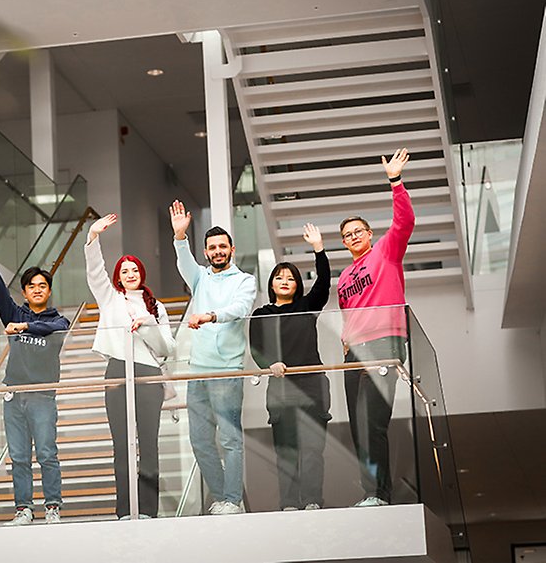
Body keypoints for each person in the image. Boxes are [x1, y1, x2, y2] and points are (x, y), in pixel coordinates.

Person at [0, 224, 70, 526]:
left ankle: (52, 508)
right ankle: (23, 509)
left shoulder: (57, 319)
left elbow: (56, 329)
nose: (37, 289)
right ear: (24, 292)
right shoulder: (14, 312)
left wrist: (23, 328)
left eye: (42, 285)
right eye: (32, 285)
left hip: (43, 396)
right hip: (13, 396)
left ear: (48, 291)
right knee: (19, 456)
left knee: (47, 453)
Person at [84, 213, 176, 519]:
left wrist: (148, 324)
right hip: (117, 372)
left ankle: (148, 509)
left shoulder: (156, 307)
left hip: (149, 374)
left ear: (142, 273)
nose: (130, 273)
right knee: (121, 446)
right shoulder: (110, 298)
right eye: (124, 271)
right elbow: (95, 272)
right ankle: (124, 510)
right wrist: (93, 236)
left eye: (134, 269)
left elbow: (168, 349)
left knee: (148, 444)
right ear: (118, 277)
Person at [336, 148, 414, 508]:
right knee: (357, 427)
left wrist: (395, 182)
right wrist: (346, 343)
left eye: (358, 231)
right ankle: (371, 492)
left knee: (373, 423)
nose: (353, 236)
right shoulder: (344, 277)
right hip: (355, 354)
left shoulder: (386, 251)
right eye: (347, 234)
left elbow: (404, 223)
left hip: (385, 344)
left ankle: (380, 494)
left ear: (369, 234)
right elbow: (347, 313)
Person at [169, 201, 257, 515]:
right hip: (197, 372)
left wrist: (209, 316)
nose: (217, 251)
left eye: (222, 246)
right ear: (206, 252)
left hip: (227, 371)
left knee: (230, 439)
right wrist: (180, 236)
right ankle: (224, 498)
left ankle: (233, 499)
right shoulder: (200, 278)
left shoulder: (244, 281)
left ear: (231, 249)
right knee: (200, 441)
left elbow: (239, 310)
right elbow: (184, 263)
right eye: (212, 247)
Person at [249, 223, 332, 512]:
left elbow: (323, 283)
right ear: (272, 283)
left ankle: (311, 501)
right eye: (279, 277)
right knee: (285, 449)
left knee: (312, 449)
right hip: (280, 385)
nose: (285, 281)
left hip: (312, 383)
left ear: (297, 284)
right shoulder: (261, 313)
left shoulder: (308, 305)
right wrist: (268, 364)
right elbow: (256, 347)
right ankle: (288, 503)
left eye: (290, 278)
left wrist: (318, 248)